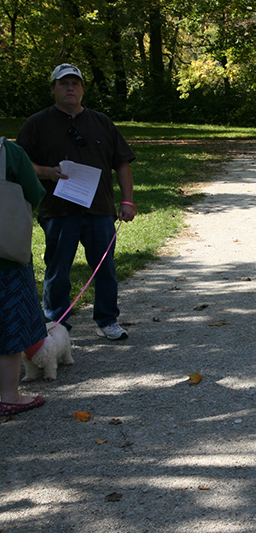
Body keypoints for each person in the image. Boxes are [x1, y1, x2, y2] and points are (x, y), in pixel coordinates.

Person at [16, 63, 136, 340]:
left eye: (75, 83)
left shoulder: (102, 122)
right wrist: (48, 172)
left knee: (104, 267)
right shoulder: (37, 124)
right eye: (63, 83)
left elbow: (122, 163)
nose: (70, 88)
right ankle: (56, 326)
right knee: (58, 270)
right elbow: (20, 164)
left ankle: (108, 320)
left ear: (82, 89)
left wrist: (127, 201)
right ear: (53, 89)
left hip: (100, 210)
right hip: (58, 212)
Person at [0, 138, 47, 416]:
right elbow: (34, 192)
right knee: (10, 321)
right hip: (6, 258)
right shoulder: (10, 153)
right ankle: (9, 394)